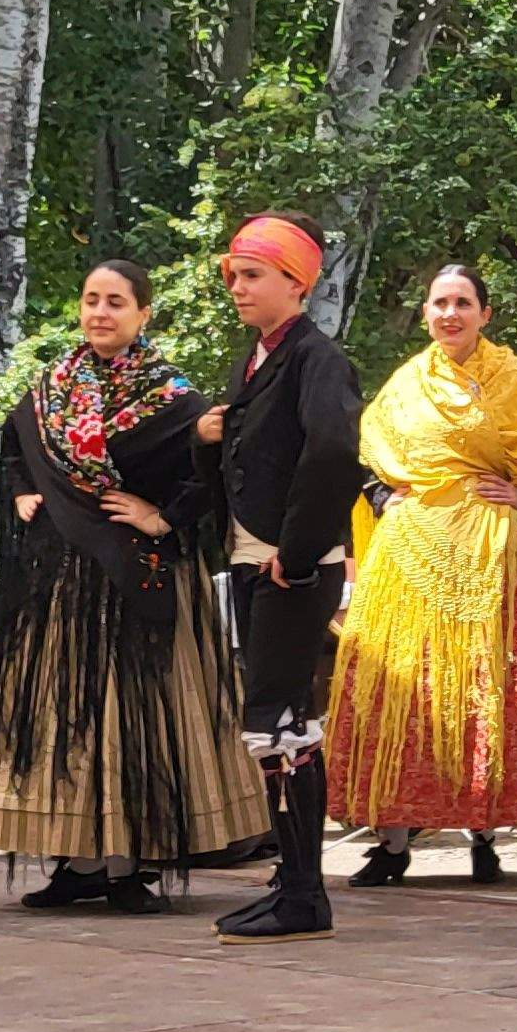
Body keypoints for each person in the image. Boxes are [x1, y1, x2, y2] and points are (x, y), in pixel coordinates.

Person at [0, 260, 267, 918]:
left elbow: (209, 472)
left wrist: (164, 517)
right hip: (67, 587)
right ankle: (77, 862)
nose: (101, 312)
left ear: (143, 315)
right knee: (70, 718)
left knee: (132, 719)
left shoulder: (172, 397)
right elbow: (12, 444)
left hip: (138, 581)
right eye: (92, 299)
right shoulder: (50, 388)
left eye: (117, 302)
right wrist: (20, 492)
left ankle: (129, 863)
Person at [323, 262, 517, 887]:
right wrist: (385, 502)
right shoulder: (403, 388)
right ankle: (394, 841)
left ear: (485, 313)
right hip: (416, 562)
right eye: (439, 303)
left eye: (462, 302)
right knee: (410, 692)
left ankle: (487, 833)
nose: (449, 314)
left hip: (504, 561)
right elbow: (367, 457)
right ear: (427, 311)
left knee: (496, 693)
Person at [207, 216, 372, 940]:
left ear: (296, 283)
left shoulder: (316, 358)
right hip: (257, 559)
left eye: (253, 275)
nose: (238, 288)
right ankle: (292, 879)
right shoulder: (260, 358)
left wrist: (299, 552)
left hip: (291, 568)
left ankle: (305, 893)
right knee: (274, 723)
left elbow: (337, 453)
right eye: (235, 275)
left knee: (283, 722)